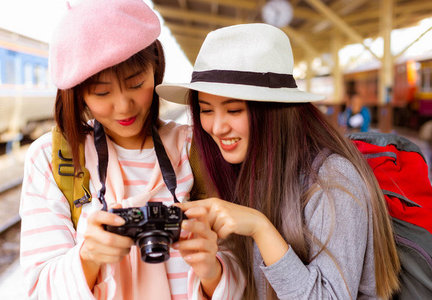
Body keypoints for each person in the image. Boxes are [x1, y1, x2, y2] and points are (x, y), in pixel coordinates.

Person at [156, 23, 401, 299]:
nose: (217, 127)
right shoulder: (242, 170)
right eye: (206, 110)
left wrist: (261, 227)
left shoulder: (334, 179)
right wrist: (210, 270)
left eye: (234, 109)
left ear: (274, 111)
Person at [19, 1, 243, 299]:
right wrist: (88, 258)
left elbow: (244, 267)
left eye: (136, 83)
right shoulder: (52, 158)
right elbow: (37, 289)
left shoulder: (195, 148)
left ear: (156, 69)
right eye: (102, 92)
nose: (124, 106)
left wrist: (213, 272)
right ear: (78, 94)